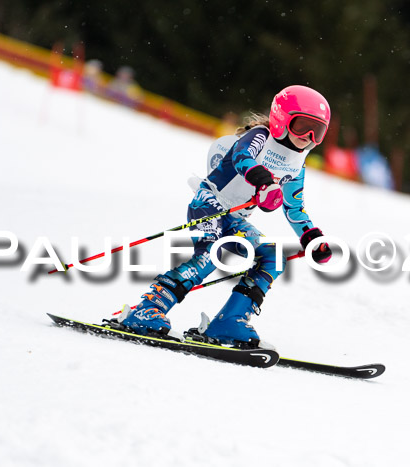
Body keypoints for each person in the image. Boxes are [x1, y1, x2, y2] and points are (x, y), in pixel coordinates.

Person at [116, 85, 333, 348]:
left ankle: (229, 321)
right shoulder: (260, 137)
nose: (308, 136)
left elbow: (294, 208)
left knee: (273, 258)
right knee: (210, 253)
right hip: (210, 203)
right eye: (302, 126)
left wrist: (312, 238)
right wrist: (263, 181)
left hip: (234, 219)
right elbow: (242, 158)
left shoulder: (297, 163)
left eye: (317, 131)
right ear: (281, 119)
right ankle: (147, 310)